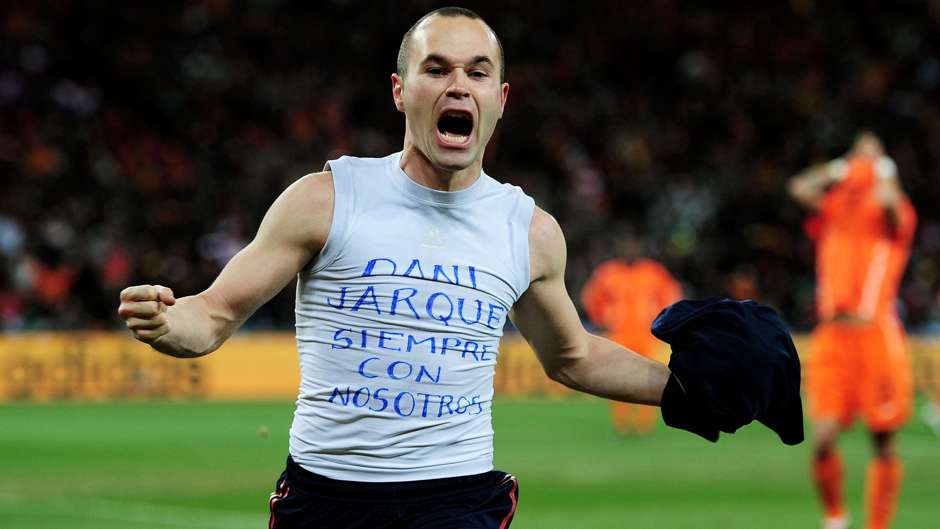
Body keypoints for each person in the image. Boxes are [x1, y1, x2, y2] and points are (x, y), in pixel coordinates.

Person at [118, 8, 798, 529]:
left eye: (477, 72)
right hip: (324, 500)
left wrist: (679, 388)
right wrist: (167, 319)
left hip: (456, 501)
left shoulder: (528, 230)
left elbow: (573, 355)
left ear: (502, 98)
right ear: (400, 90)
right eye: (437, 68)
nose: (458, 85)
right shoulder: (326, 198)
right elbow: (212, 314)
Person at [789, 132, 917, 529]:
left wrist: (882, 166)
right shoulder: (835, 208)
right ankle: (835, 518)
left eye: (870, 152)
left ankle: (877, 525)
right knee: (822, 438)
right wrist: (841, 166)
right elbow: (798, 187)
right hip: (832, 337)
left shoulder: (893, 217)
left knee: (882, 441)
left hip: (875, 334)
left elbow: (892, 204)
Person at [581, 230, 682, 435]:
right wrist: (601, 319)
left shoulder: (653, 272)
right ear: (619, 250)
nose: (629, 251)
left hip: (646, 335)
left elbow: (671, 296)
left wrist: (664, 322)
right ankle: (622, 422)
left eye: (632, 247)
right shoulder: (608, 272)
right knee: (617, 378)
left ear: (639, 250)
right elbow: (591, 297)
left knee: (648, 378)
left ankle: (645, 423)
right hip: (619, 335)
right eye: (625, 247)